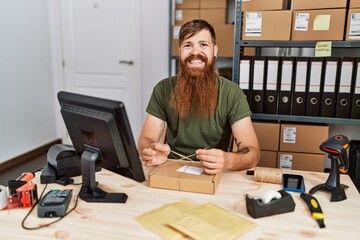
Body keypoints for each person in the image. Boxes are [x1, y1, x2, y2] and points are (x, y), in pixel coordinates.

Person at [138, 19, 260, 174]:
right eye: (188, 45)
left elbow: (252, 153)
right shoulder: (162, 89)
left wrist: (227, 160)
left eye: (203, 44)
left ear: (214, 50)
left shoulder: (232, 93)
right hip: (171, 168)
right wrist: (150, 151)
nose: (195, 52)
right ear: (180, 50)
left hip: (212, 172)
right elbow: (146, 139)